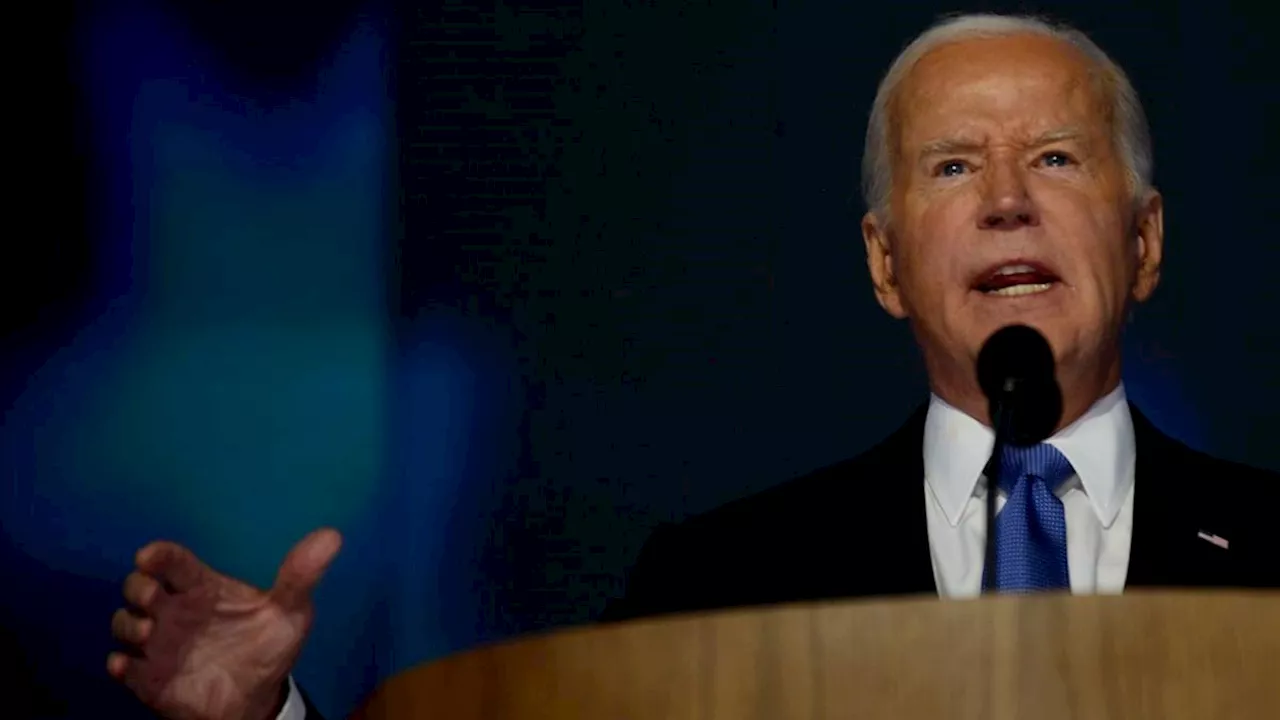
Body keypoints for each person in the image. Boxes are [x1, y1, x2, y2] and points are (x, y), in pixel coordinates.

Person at [107, 12, 1280, 720]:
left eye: (1057, 157)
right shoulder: (720, 584)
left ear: (1144, 242)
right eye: (953, 169)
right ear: (881, 266)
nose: (1008, 201)